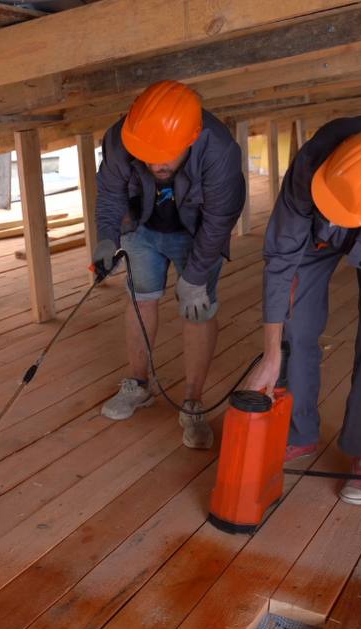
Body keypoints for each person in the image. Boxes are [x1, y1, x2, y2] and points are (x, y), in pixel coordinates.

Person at [246, 116, 361, 505]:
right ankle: (298, 432)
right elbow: (281, 258)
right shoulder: (311, 165)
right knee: (293, 325)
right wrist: (270, 353)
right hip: (316, 227)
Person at [90, 80, 246, 449]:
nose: (155, 163)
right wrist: (106, 241)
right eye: (148, 155)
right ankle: (138, 385)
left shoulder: (219, 150)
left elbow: (220, 219)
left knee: (198, 309)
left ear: (191, 139)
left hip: (196, 232)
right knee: (141, 297)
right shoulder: (119, 139)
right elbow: (111, 195)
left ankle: (192, 402)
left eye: (166, 156)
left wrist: (194, 277)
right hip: (141, 226)